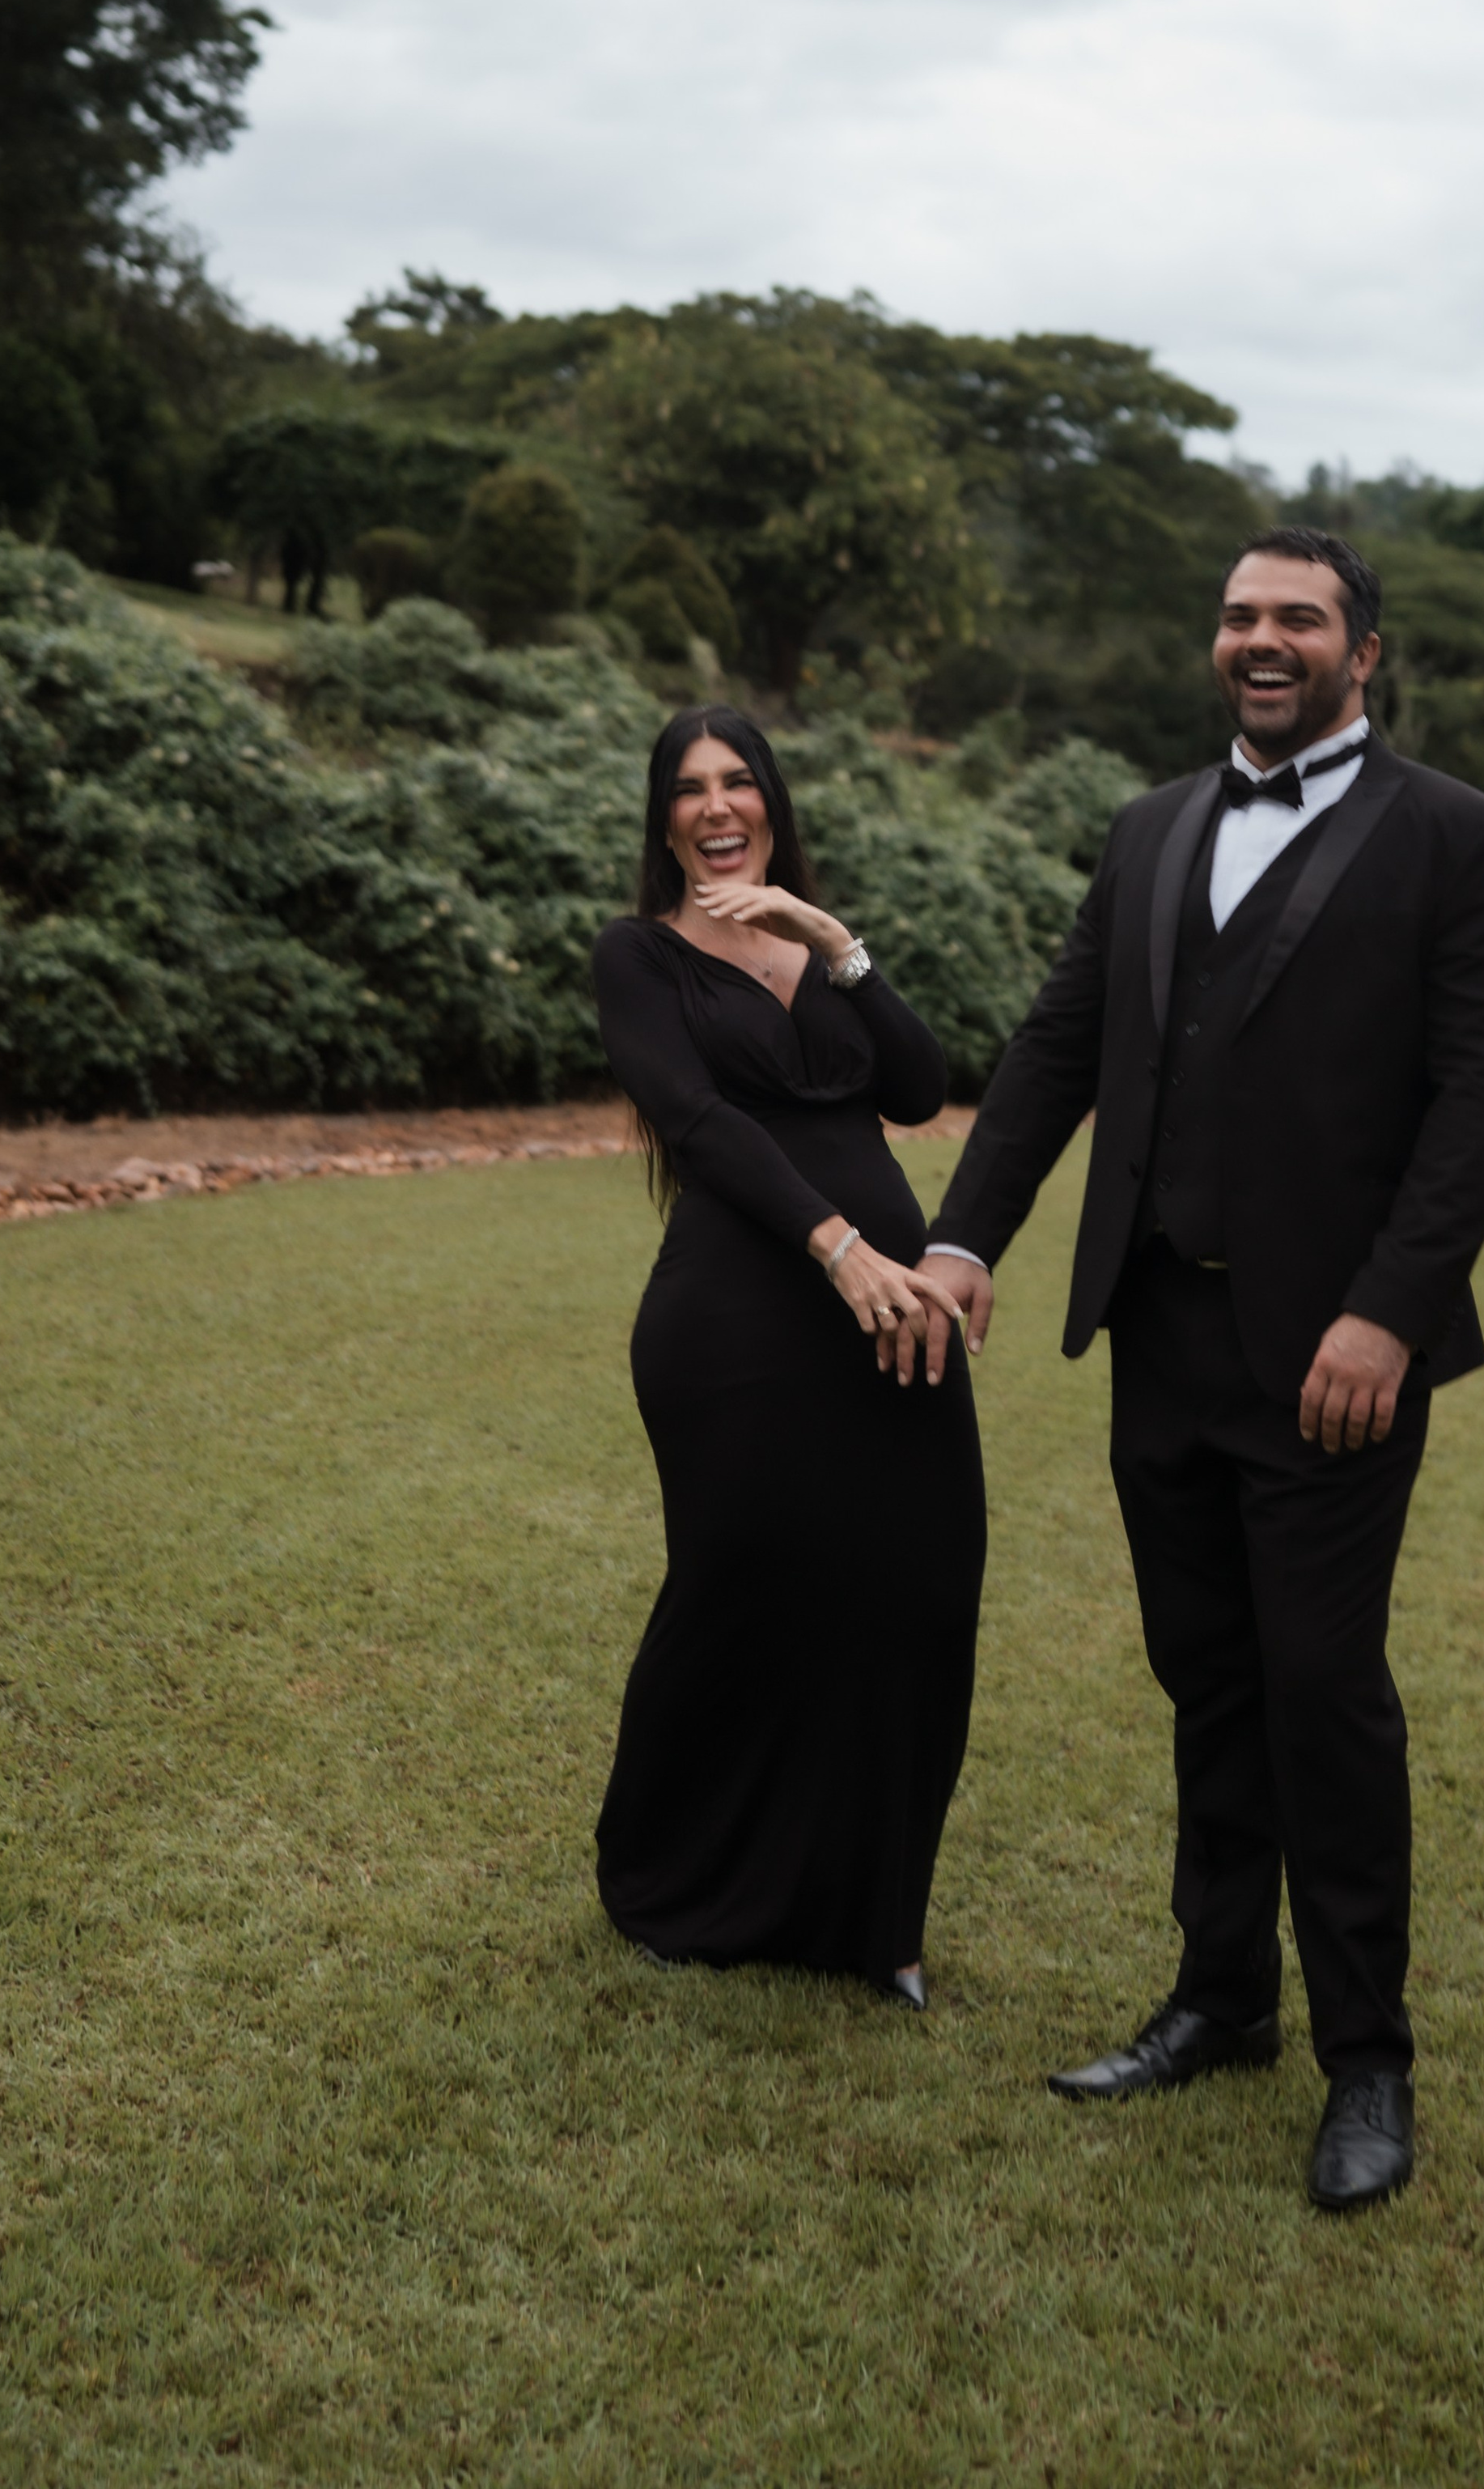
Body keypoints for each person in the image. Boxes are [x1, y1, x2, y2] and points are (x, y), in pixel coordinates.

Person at [917, 529, 1484, 2206]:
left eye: (1299, 619)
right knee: (1205, 1677)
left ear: (1363, 651)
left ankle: (1367, 2063)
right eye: (1239, 615)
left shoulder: (1461, 840)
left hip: (1336, 1359)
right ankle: (1219, 2000)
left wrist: (1389, 1311)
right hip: (1162, 1336)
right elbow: (1057, 1047)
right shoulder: (1149, 829)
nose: (1261, 640)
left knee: (1322, 1693)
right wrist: (965, 1236)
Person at [590, 705, 985, 2009]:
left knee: (917, 1593)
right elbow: (696, 1120)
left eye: (739, 782)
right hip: (736, 1327)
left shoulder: (819, 952)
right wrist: (839, 1247)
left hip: (894, 1321)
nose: (717, 805)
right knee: (742, 1595)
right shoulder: (638, 956)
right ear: (664, 820)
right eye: (690, 787)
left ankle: (876, 1918)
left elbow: (918, 1088)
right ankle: (669, 1879)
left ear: (771, 804)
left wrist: (834, 941)